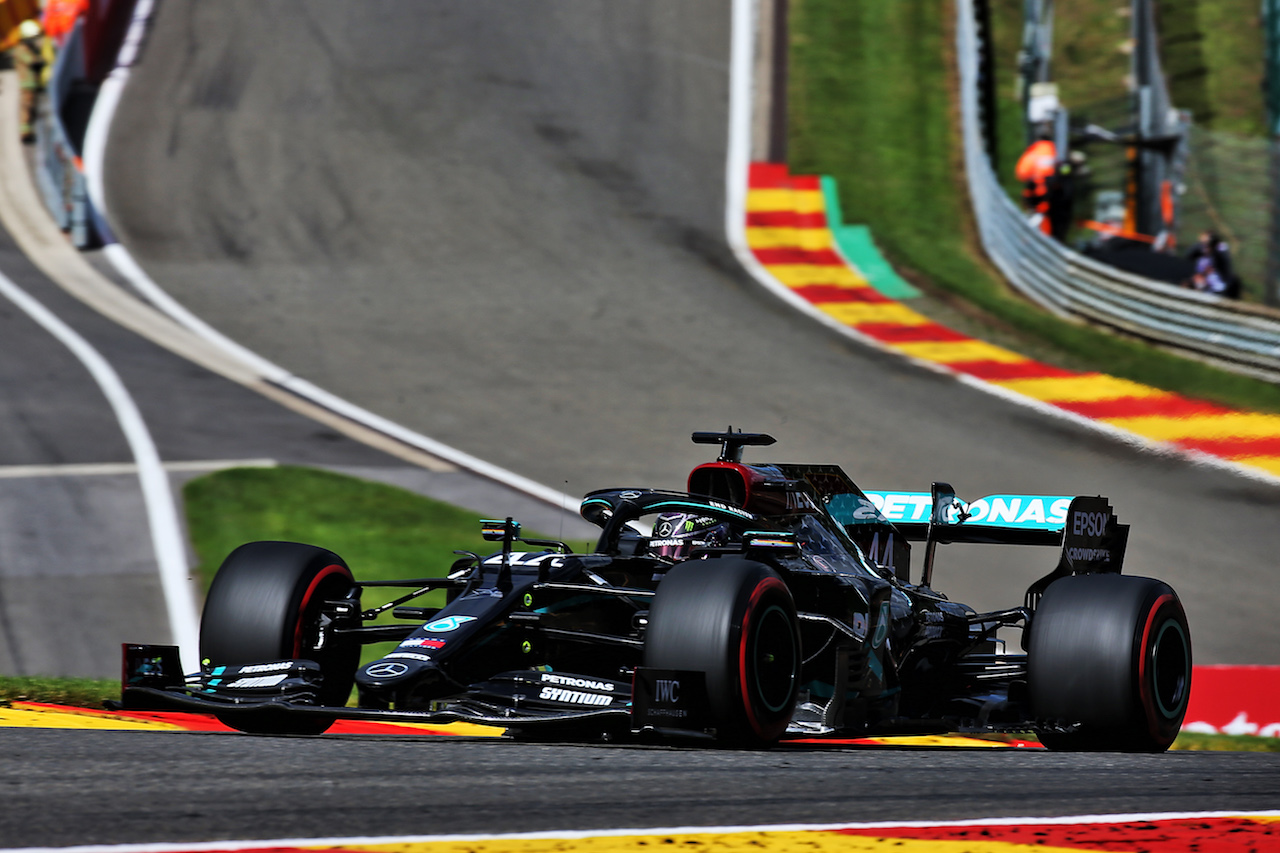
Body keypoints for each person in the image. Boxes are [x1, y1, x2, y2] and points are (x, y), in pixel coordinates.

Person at [1016, 134, 1057, 236]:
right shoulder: (1054, 149)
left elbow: (1022, 173)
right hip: (1052, 192)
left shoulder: (1033, 152)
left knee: (1037, 217)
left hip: (1037, 193)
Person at [1186, 231, 1239, 298]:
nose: (1205, 247)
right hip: (1205, 286)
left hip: (1218, 289)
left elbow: (1222, 254)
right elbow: (1189, 255)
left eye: (1207, 244)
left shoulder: (1220, 252)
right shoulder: (1202, 255)